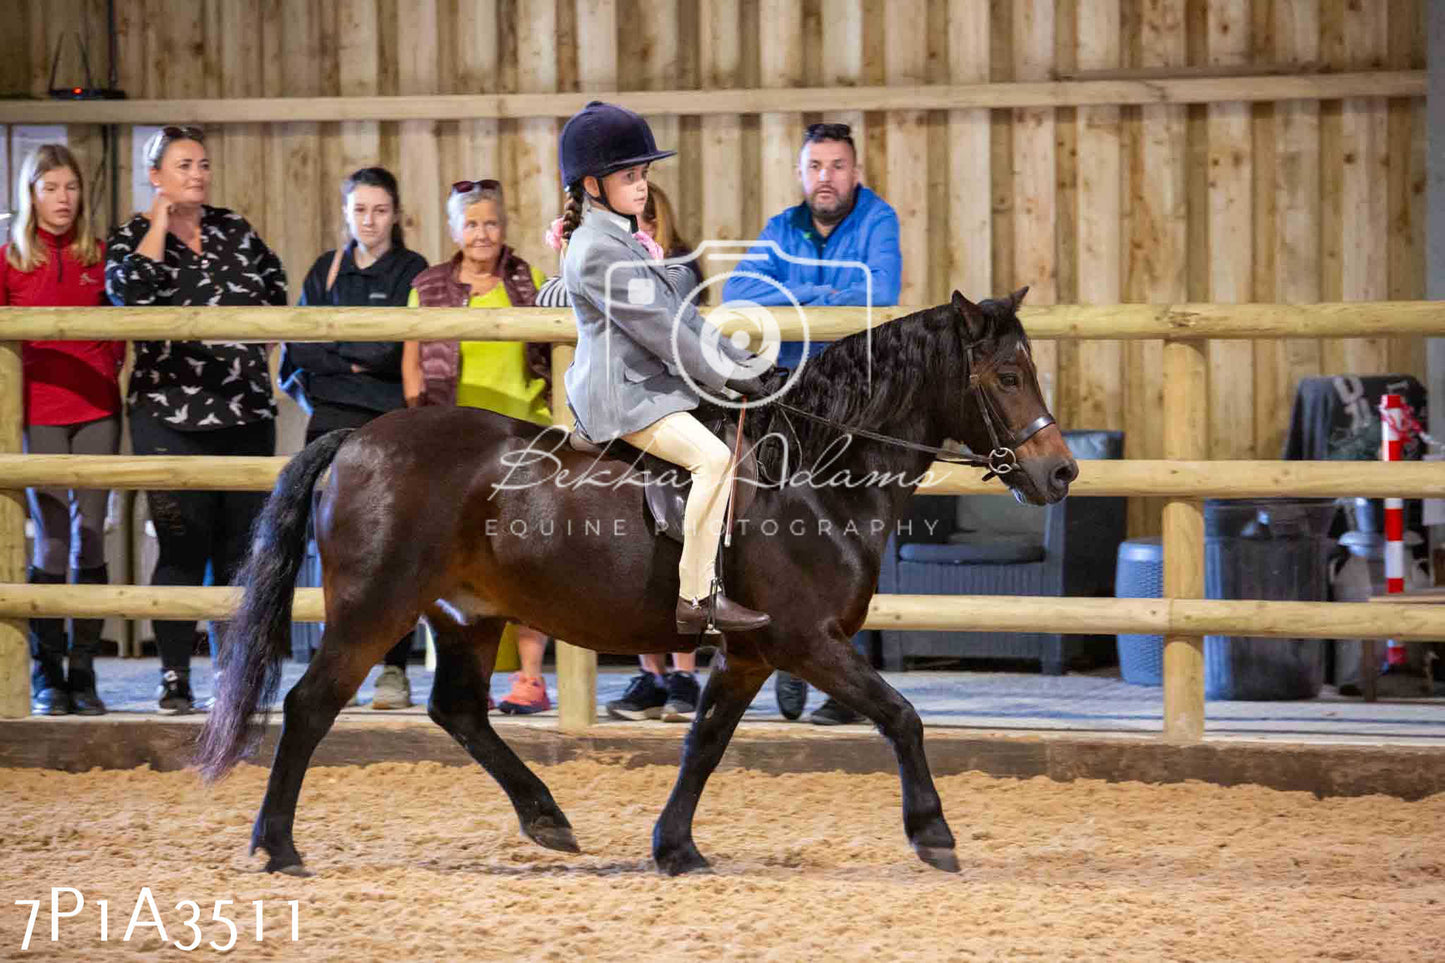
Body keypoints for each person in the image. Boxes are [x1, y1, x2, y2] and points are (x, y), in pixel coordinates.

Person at [555, 100, 774, 647]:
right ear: (592, 184)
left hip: (649, 384)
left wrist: (745, 364)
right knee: (715, 459)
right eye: (630, 175)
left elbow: (686, 317)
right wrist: (724, 378)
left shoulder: (621, 237)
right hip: (622, 398)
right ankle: (698, 598)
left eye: (644, 173)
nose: (642, 185)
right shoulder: (597, 251)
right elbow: (661, 331)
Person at [721, 121, 902, 726]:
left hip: (859, 399)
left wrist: (791, 297)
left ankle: (842, 685)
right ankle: (786, 658)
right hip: (794, 394)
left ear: (856, 172)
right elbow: (741, 289)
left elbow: (877, 294)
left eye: (838, 166)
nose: (827, 177)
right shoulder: (782, 227)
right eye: (816, 166)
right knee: (777, 528)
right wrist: (828, 297)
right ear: (802, 174)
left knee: (856, 540)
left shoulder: (878, 220)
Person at [106, 125, 286, 714]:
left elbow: (276, 291)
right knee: (183, 548)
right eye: (184, 165)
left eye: (204, 164)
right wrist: (159, 221)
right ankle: (174, 676)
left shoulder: (235, 229)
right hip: (169, 416)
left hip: (244, 412)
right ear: (155, 175)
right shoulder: (134, 236)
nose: (198, 175)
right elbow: (128, 294)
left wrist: (258, 356)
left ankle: (234, 678)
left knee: (242, 552)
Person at [540, 181, 706, 722]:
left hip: (668, 397)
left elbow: (675, 322)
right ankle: (650, 671)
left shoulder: (679, 267)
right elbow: (552, 298)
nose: (643, 229)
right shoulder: (602, 258)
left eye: (649, 220)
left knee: (683, 505)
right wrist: (568, 264)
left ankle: (685, 665)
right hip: (624, 403)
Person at [402, 178, 553, 714]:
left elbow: (551, 352)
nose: (482, 233)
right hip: (459, 449)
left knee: (531, 563)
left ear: (504, 227)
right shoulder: (427, 286)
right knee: (460, 568)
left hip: (523, 439)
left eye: (491, 222)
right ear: (453, 230)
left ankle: (532, 680)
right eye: (471, 223)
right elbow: (413, 366)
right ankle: (472, 680)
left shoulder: (529, 278)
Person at [280, 166, 428, 710]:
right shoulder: (325, 271)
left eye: (380, 210)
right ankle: (337, 659)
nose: (370, 220)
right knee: (335, 544)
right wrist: (354, 359)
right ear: (346, 213)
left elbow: (396, 350)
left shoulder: (413, 270)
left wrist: (343, 351)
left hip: (392, 421)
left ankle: (395, 669)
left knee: (398, 544)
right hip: (329, 420)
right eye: (360, 210)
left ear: (396, 214)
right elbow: (301, 352)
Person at [1, 144, 123, 716]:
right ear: (31, 194)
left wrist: (107, 364)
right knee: (50, 538)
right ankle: (48, 674)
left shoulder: (98, 256)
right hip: (39, 413)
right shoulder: (9, 260)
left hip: (98, 407)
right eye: (50, 188)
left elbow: (120, 326)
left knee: (92, 533)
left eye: (70, 188)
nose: (62, 199)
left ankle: (84, 670)